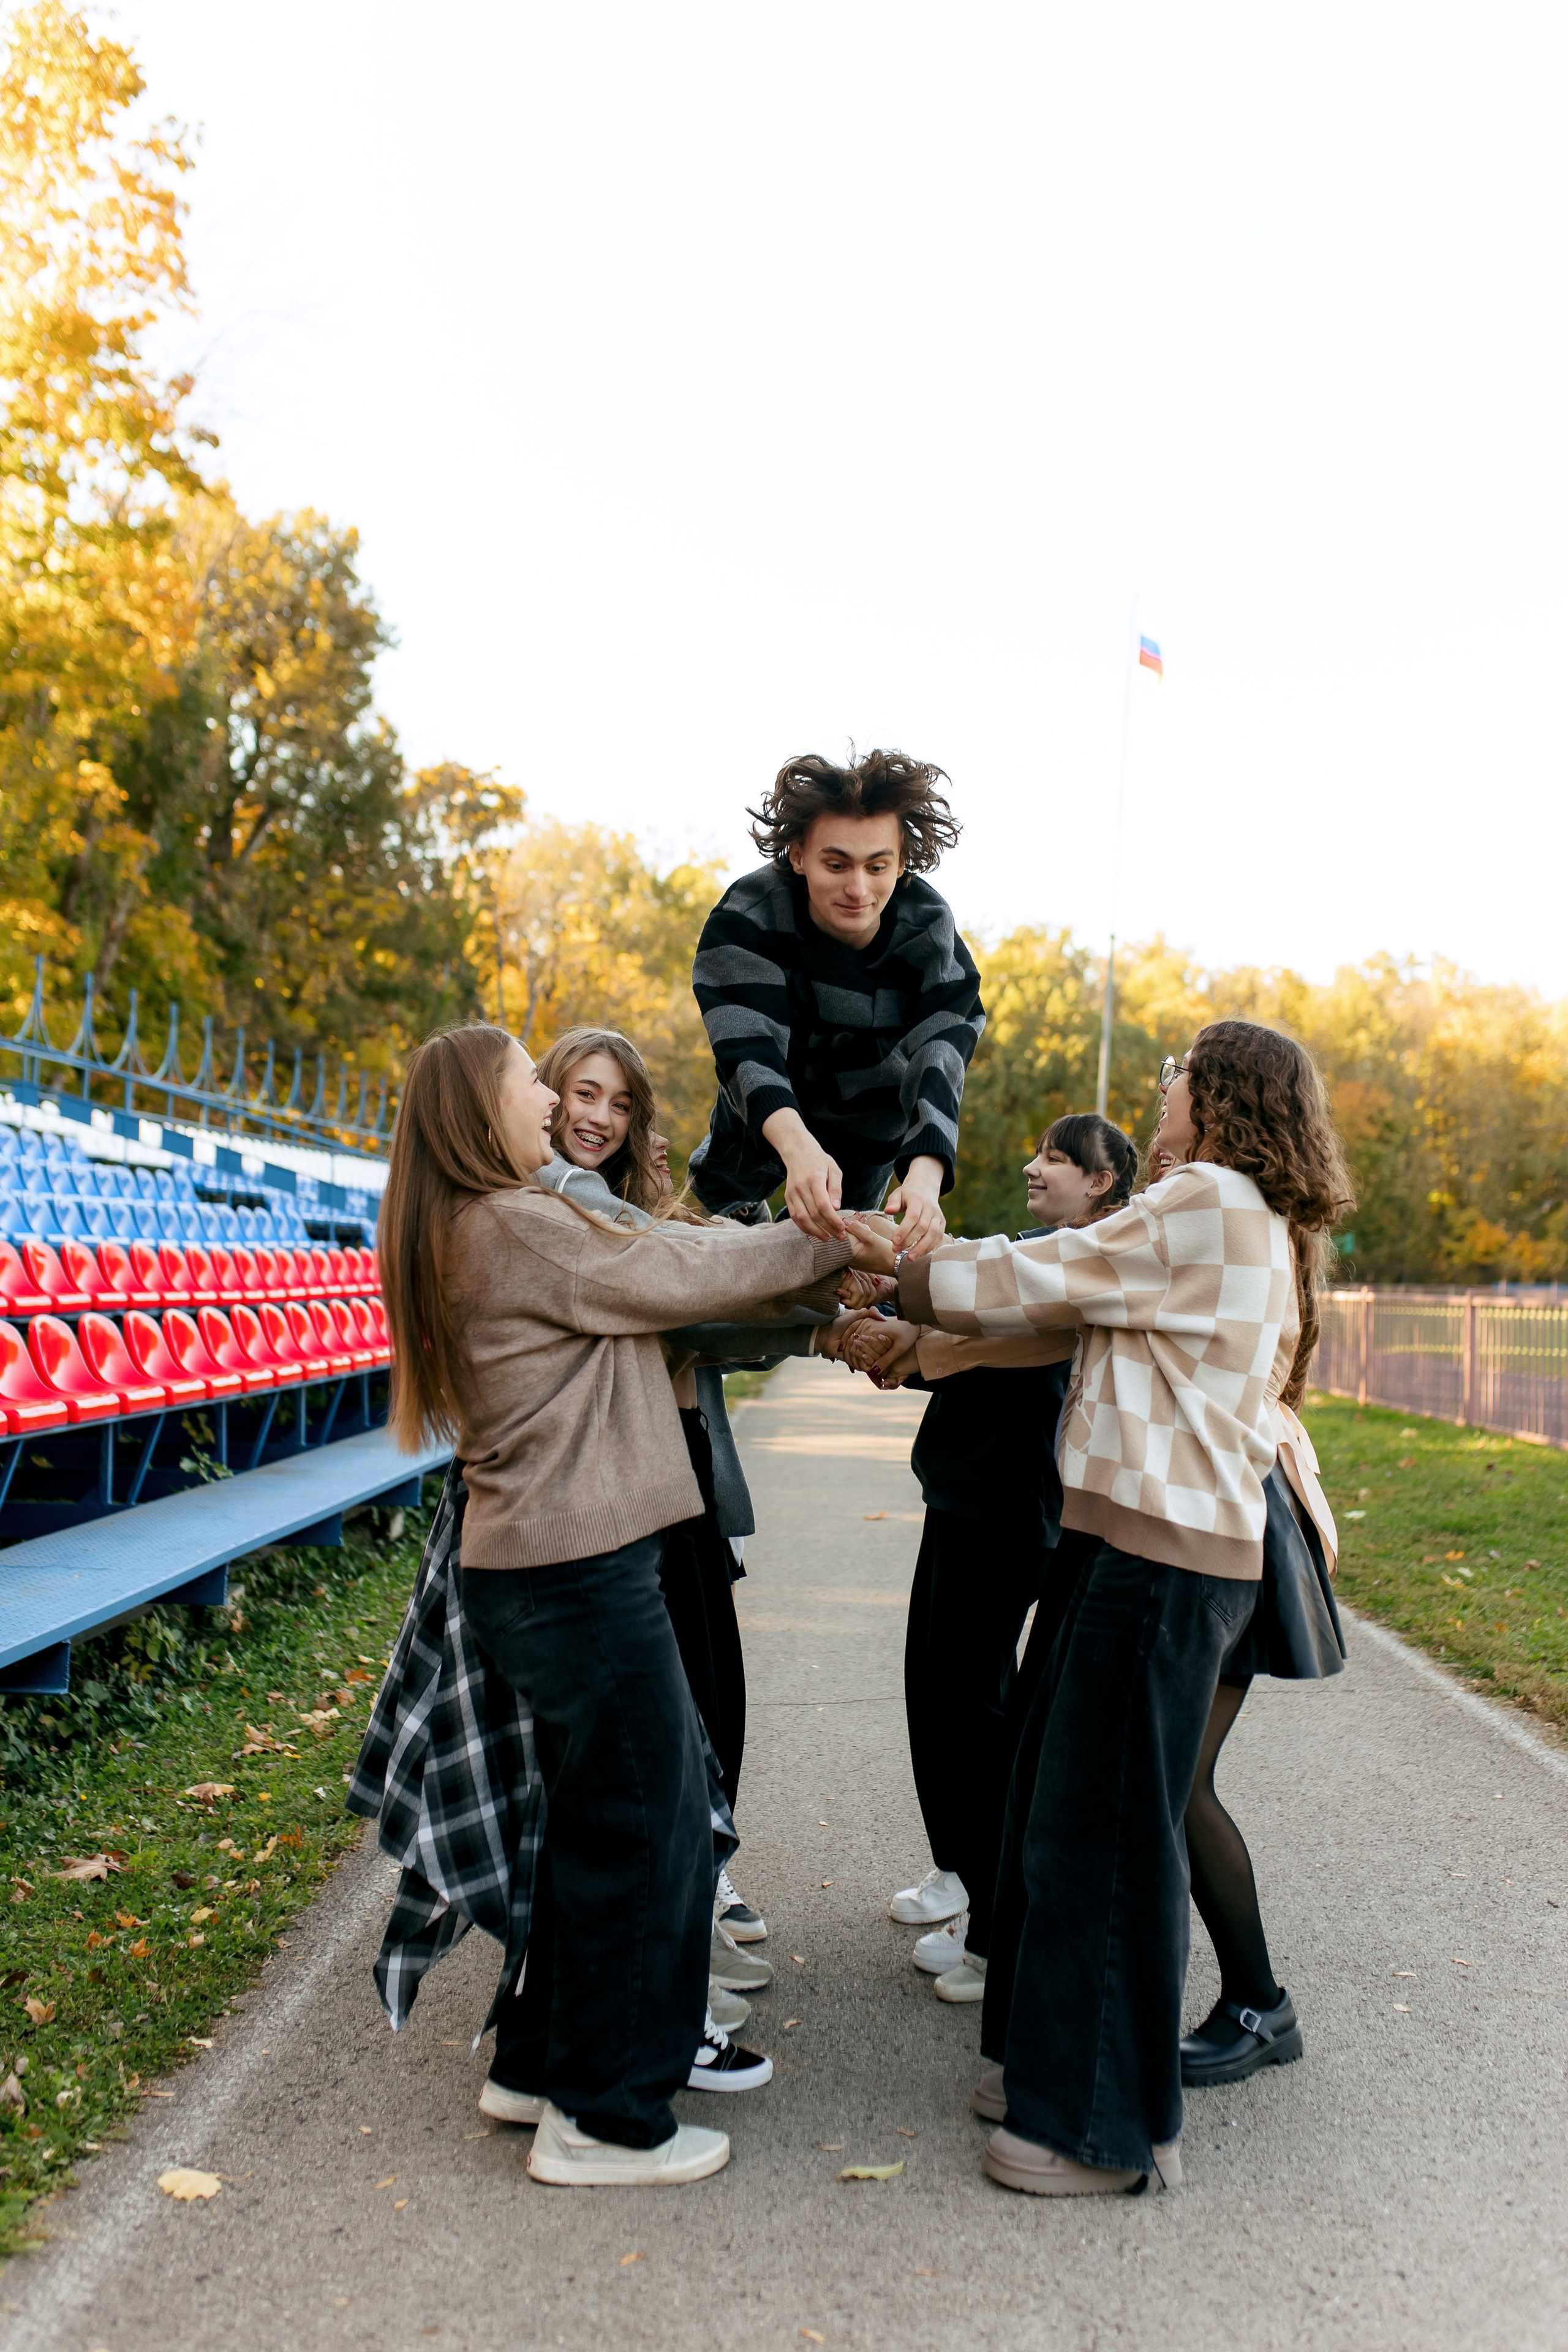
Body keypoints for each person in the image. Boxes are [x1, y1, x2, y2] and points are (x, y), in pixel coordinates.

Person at [847, 1019, 1353, 2195]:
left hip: (1163, 1562)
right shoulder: (1209, 1210)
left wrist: (895, 1260)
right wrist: (913, 1339)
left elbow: (1040, 1272)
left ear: (1222, 1100)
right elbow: (1056, 1319)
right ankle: (1045, 2065)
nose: (1163, 1090)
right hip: (1115, 1542)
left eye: (1178, 1076)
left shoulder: (1206, 1201)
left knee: (1105, 1832)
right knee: (1043, 1802)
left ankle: (1106, 2130)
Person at [379, 1021, 852, 2187]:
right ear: (475, 1114)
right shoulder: (518, 1225)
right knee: (651, 1833)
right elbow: (685, 1272)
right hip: (575, 1576)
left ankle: (540, 2064)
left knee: (591, 1829)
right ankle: (606, 2120)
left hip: (548, 1574)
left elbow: (678, 1273)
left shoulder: (493, 1221)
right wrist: (836, 1238)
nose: (546, 1106)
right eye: (525, 1088)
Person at [882, 1115, 1139, 2006]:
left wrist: (925, 1349)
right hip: (960, 1490)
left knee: (979, 1706)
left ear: (1103, 1183)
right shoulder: (1027, 1247)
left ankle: (997, 1925)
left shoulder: (1096, 1260)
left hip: (1012, 1504)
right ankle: (964, 1874)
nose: (1036, 1168)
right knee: (939, 1691)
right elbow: (951, 1317)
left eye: (1059, 1161)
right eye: (1037, 1154)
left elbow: (1014, 1340)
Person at [687, 749, 984, 1257]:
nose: (857, 889)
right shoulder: (747, 917)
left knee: (833, 1256)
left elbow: (941, 1055)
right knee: (702, 1238)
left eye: (877, 866)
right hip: (764, 1111)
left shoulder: (929, 930)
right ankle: (732, 1215)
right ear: (798, 855)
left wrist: (925, 1176)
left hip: (870, 1122)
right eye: (836, 863)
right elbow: (747, 1050)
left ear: (902, 862)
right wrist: (798, 1149)